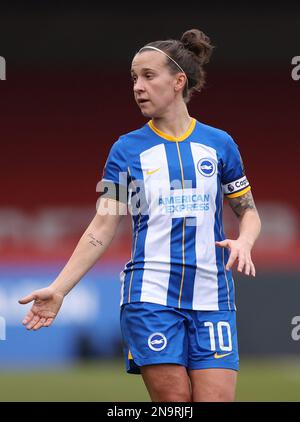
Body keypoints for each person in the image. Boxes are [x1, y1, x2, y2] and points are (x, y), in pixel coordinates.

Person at [19, 28, 261, 402]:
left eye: (148, 75)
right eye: (134, 78)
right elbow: (102, 224)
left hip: (214, 294)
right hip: (150, 297)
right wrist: (59, 288)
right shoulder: (126, 151)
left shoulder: (220, 144)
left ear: (179, 81)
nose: (137, 86)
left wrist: (245, 240)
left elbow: (249, 212)